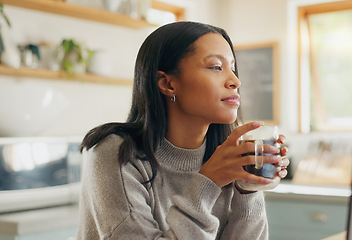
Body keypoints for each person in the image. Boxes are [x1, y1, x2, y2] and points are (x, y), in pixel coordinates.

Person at [77, 21, 289, 240]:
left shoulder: (227, 154)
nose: (235, 81)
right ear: (168, 84)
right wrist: (209, 181)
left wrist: (247, 188)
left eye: (233, 69)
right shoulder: (116, 153)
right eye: (216, 67)